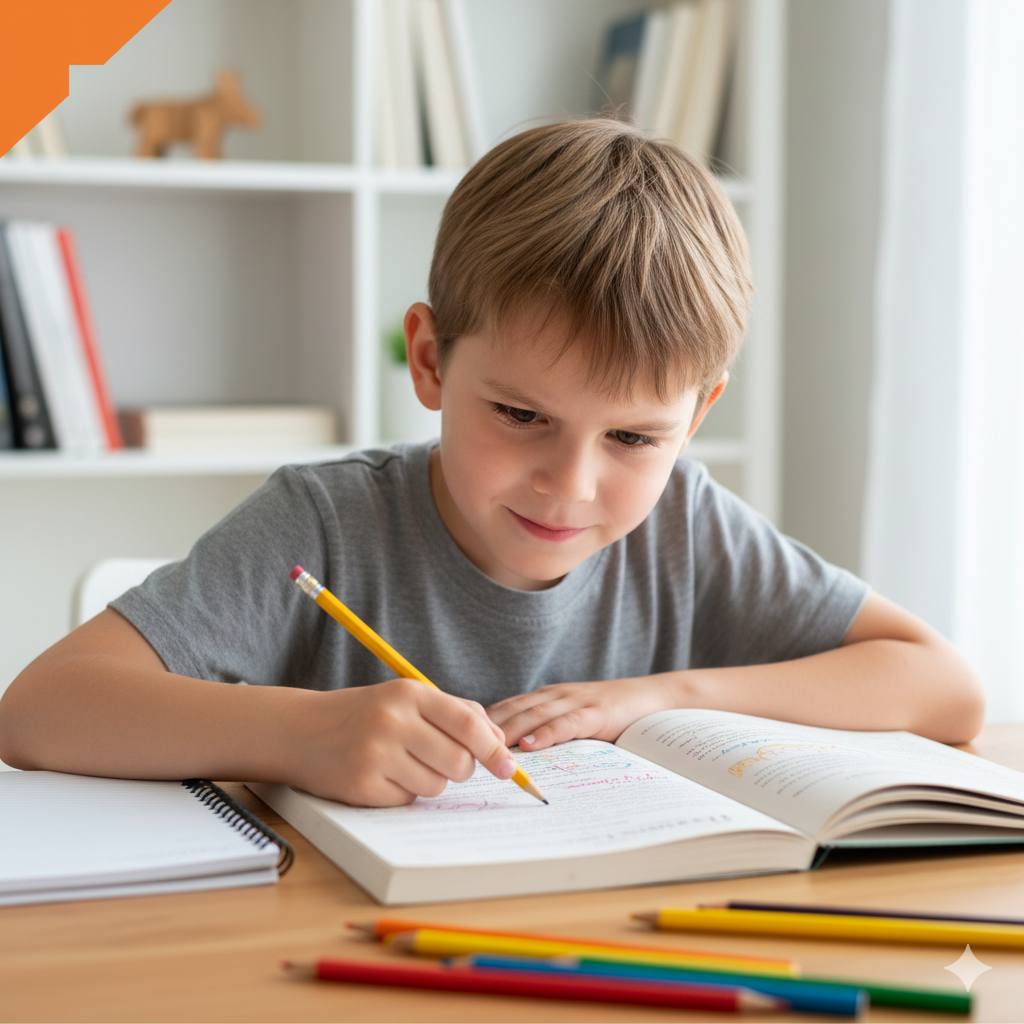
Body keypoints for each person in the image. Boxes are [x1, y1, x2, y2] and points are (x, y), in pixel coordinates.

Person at [0, 120, 984, 807]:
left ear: (696, 417)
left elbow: (940, 684)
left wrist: (661, 696)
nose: (572, 482)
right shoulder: (328, 524)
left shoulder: (688, 525)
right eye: (520, 414)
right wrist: (297, 735)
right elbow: (40, 710)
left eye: (635, 437)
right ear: (429, 360)